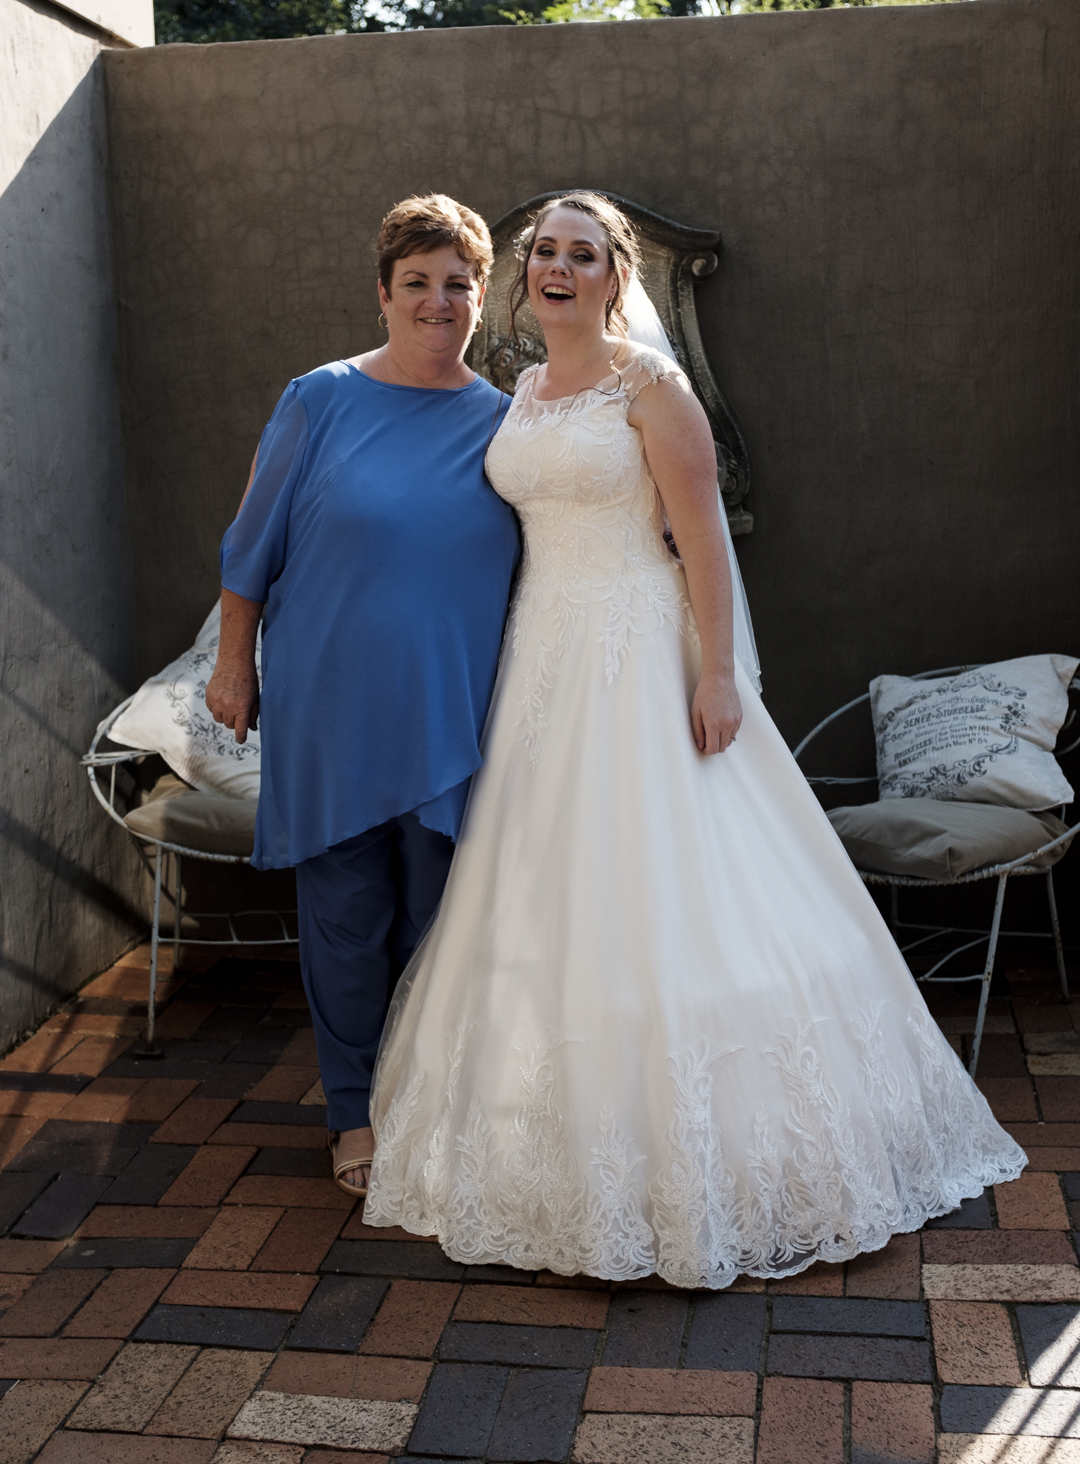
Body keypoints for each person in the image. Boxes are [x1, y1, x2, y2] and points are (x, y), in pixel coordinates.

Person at [365, 191, 1025, 1287]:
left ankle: (715, 1163)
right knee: (545, 890)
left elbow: (705, 538)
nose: (560, 267)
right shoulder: (521, 391)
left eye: (584, 254)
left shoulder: (651, 387)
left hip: (639, 653)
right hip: (541, 659)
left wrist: (718, 672)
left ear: (616, 277)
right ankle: (552, 1148)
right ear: (527, 275)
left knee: (667, 878)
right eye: (546, 252)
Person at [205, 195, 520, 1198]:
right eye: (417, 282)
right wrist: (234, 663)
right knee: (346, 922)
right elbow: (250, 547)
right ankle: (354, 1115)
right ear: (383, 293)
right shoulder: (319, 399)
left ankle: (426, 1107)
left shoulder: (508, 426)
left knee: (439, 923)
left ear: (481, 298)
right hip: (332, 709)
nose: (438, 301)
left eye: (457, 283)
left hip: (453, 715)